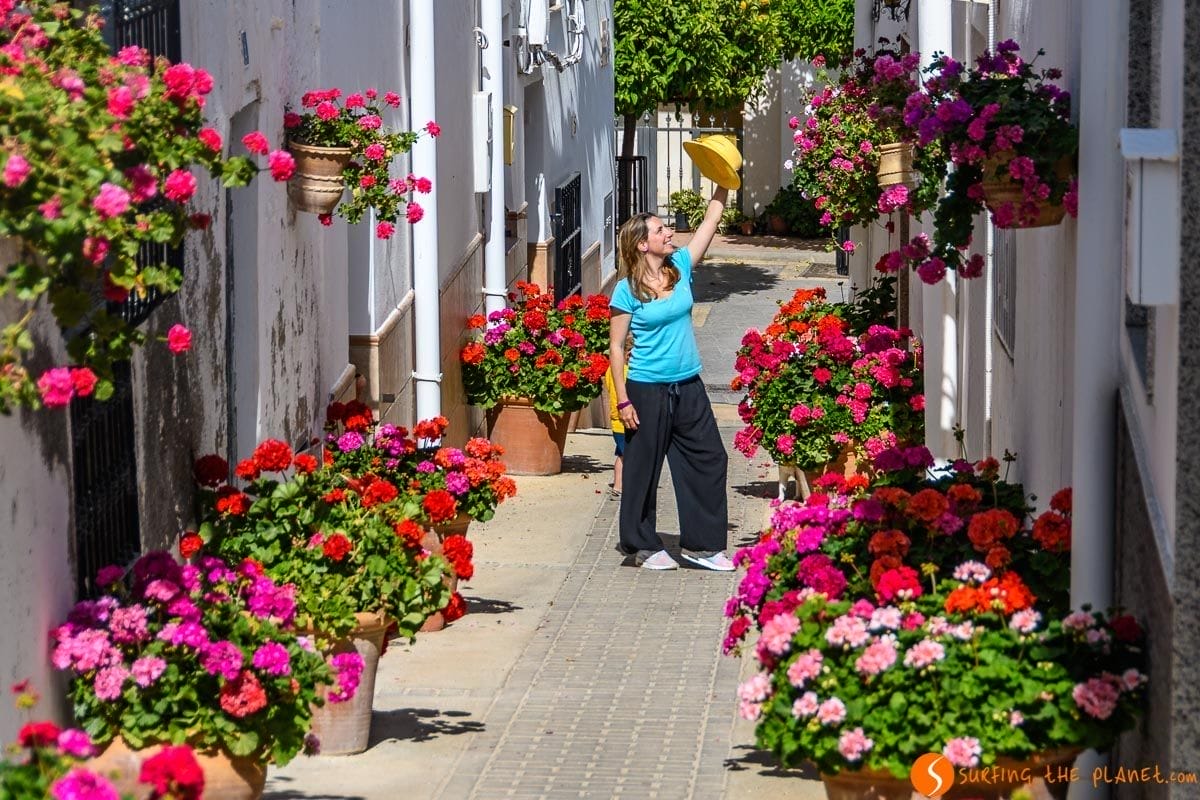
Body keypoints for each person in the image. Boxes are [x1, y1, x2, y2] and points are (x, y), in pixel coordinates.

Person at [607, 187, 733, 571]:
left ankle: (704, 547)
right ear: (642, 244)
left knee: (710, 458)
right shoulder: (626, 291)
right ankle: (643, 546)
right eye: (660, 230)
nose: (669, 233)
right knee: (643, 469)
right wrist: (622, 400)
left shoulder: (679, 266)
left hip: (689, 385)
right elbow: (616, 347)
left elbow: (711, 220)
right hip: (646, 389)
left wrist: (724, 180)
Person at [604, 333, 633, 498]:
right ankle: (620, 485)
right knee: (627, 455)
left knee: (621, 455)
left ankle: (619, 485)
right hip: (623, 421)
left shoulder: (611, 370)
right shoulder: (626, 372)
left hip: (616, 421)